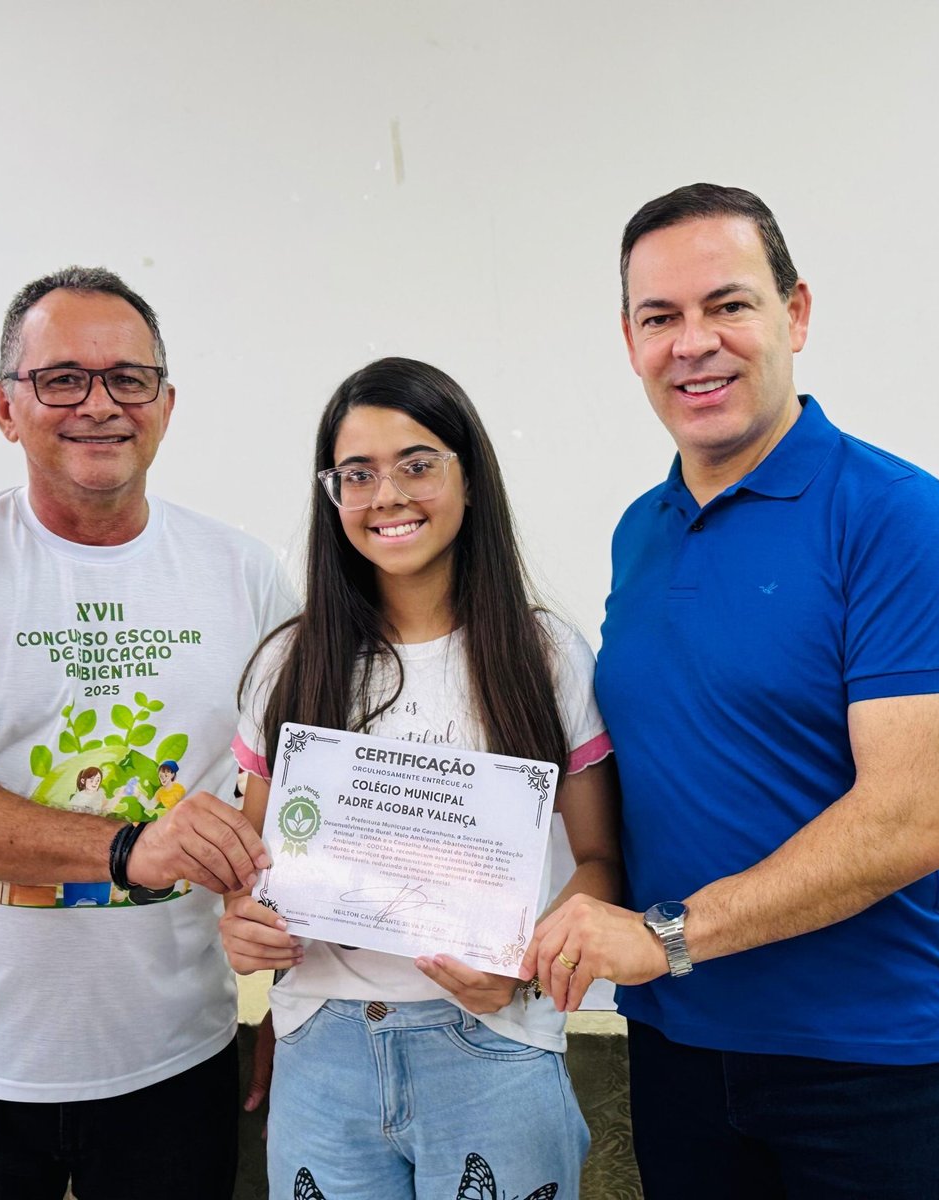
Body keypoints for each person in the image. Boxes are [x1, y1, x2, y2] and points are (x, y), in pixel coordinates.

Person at [522, 184, 939, 1198]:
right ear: (629, 340)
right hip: (680, 1048)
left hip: (867, 1064)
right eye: (660, 317)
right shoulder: (639, 530)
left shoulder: (897, 517)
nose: (693, 342)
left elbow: (910, 820)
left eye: (727, 305)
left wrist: (664, 936)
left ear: (797, 313)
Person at [0, 266, 296, 1198]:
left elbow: (293, 807)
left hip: (177, 1059)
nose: (100, 404)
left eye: (128, 378)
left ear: (166, 404)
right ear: (4, 406)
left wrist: (288, 1005)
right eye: (62, 378)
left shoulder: (245, 575)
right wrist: (132, 845)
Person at [220, 358, 621, 1200]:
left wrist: (520, 965)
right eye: (356, 474)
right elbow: (256, 878)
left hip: (496, 1041)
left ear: (469, 478)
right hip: (322, 1048)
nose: (387, 495)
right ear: (332, 497)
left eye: (417, 463)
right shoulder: (288, 664)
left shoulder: (547, 658)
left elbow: (601, 866)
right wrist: (245, 923)